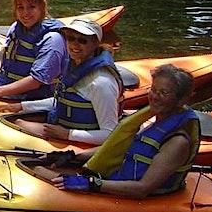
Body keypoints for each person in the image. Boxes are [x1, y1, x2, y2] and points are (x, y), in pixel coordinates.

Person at [49, 65, 199, 199]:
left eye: (163, 93)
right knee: (41, 168)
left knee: (48, 177)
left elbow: (142, 189)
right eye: (153, 90)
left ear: (181, 100)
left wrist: (93, 183)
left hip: (138, 197)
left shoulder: (177, 142)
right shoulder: (154, 121)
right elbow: (122, 148)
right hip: (118, 181)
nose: (154, 97)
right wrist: (73, 156)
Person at [0, 18, 122, 145]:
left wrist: (68, 134)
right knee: (16, 122)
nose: (75, 44)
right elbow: (61, 100)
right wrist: (21, 106)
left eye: (82, 40)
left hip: (78, 142)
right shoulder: (73, 66)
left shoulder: (101, 83)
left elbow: (110, 134)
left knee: (19, 125)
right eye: (71, 38)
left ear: (95, 43)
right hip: (62, 129)